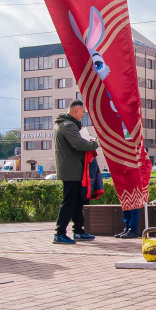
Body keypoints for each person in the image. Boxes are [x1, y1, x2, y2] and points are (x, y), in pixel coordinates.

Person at [53, 100, 99, 244]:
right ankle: (60, 233)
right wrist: (94, 143)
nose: (83, 115)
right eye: (83, 112)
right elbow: (79, 144)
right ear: (76, 111)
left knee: (79, 201)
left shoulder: (65, 124)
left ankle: (78, 230)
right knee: (69, 201)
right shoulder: (68, 125)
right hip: (71, 170)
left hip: (74, 169)